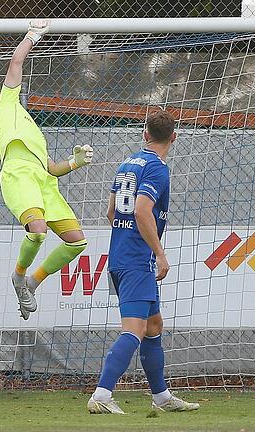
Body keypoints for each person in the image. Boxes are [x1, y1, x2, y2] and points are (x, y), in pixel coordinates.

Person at [0, 20, 94, 320]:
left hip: (43, 181)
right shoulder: (6, 106)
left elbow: (52, 169)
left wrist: (75, 161)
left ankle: (31, 281)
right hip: (19, 177)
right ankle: (18, 276)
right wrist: (33, 35)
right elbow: (16, 61)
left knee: (77, 241)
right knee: (39, 231)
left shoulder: (33, 131)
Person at [88, 111, 199, 414]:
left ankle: (161, 397)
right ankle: (101, 394)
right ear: (173, 137)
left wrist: (128, 240)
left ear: (145, 134)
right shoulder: (158, 169)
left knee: (153, 324)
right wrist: (159, 252)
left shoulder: (127, 163)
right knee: (134, 330)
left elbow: (111, 212)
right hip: (137, 260)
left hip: (124, 256)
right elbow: (141, 211)